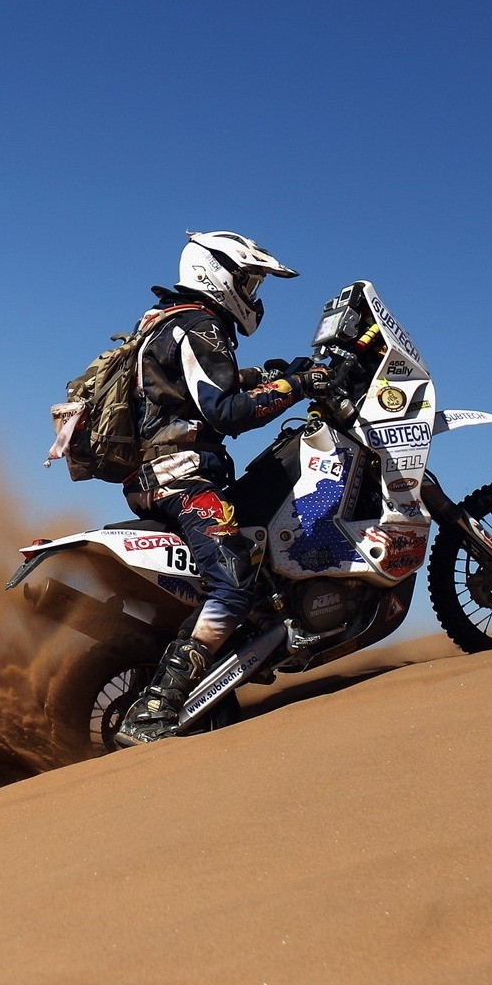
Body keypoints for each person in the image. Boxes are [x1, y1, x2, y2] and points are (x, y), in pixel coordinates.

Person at [117, 231, 328, 744]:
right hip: (180, 478)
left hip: (163, 474)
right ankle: (154, 707)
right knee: (235, 578)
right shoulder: (199, 324)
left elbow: (201, 387)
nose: (253, 292)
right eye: (249, 279)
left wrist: (277, 372)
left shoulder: (170, 321)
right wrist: (298, 387)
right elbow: (225, 410)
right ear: (218, 273)